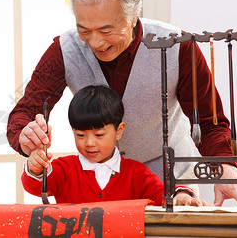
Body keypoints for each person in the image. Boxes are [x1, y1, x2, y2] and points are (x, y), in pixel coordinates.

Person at [8, 0, 237, 207]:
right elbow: (23, 114)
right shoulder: (64, 50)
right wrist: (25, 135)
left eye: (106, 30)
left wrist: (225, 167)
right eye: (84, 30)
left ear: (133, 17)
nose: (95, 42)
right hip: (98, 183)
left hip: (169, 179)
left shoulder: (178, 46)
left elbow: (209, 123)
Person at [22, 85, 209, 206]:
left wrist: (181, 197)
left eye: (99, 134)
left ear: (119, 131)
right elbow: (35, 186)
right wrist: (35, 167)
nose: (89, 143)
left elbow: (163, 196)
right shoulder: (64, 168)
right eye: (80, 135)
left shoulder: (137, 173)